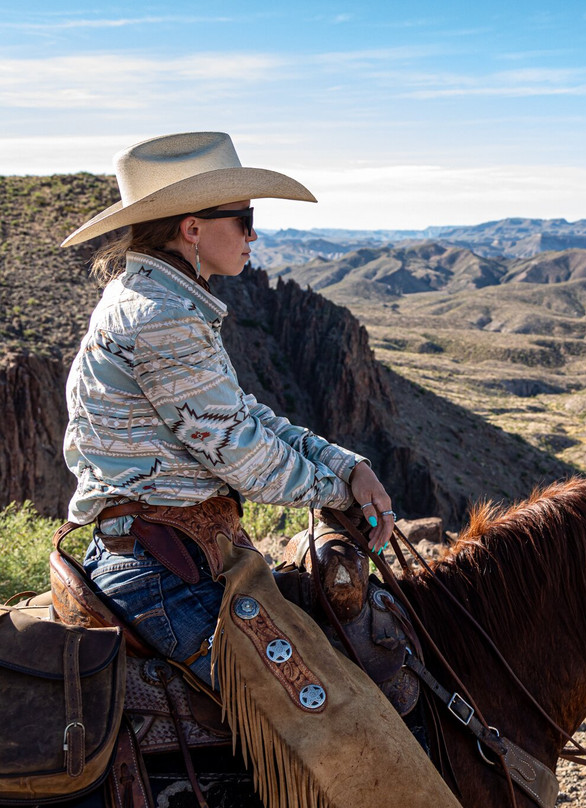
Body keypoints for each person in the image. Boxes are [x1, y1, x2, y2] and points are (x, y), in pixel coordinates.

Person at [60, 132, 460, 808]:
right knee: (337, 725)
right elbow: (243, 455)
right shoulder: (160, 318)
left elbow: (246, 417)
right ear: (192, 228)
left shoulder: (171, 305)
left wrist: (344, 463)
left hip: (188, 555)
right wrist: (340, 491)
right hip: (161, 572)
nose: (254, 237)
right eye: (244, 221)